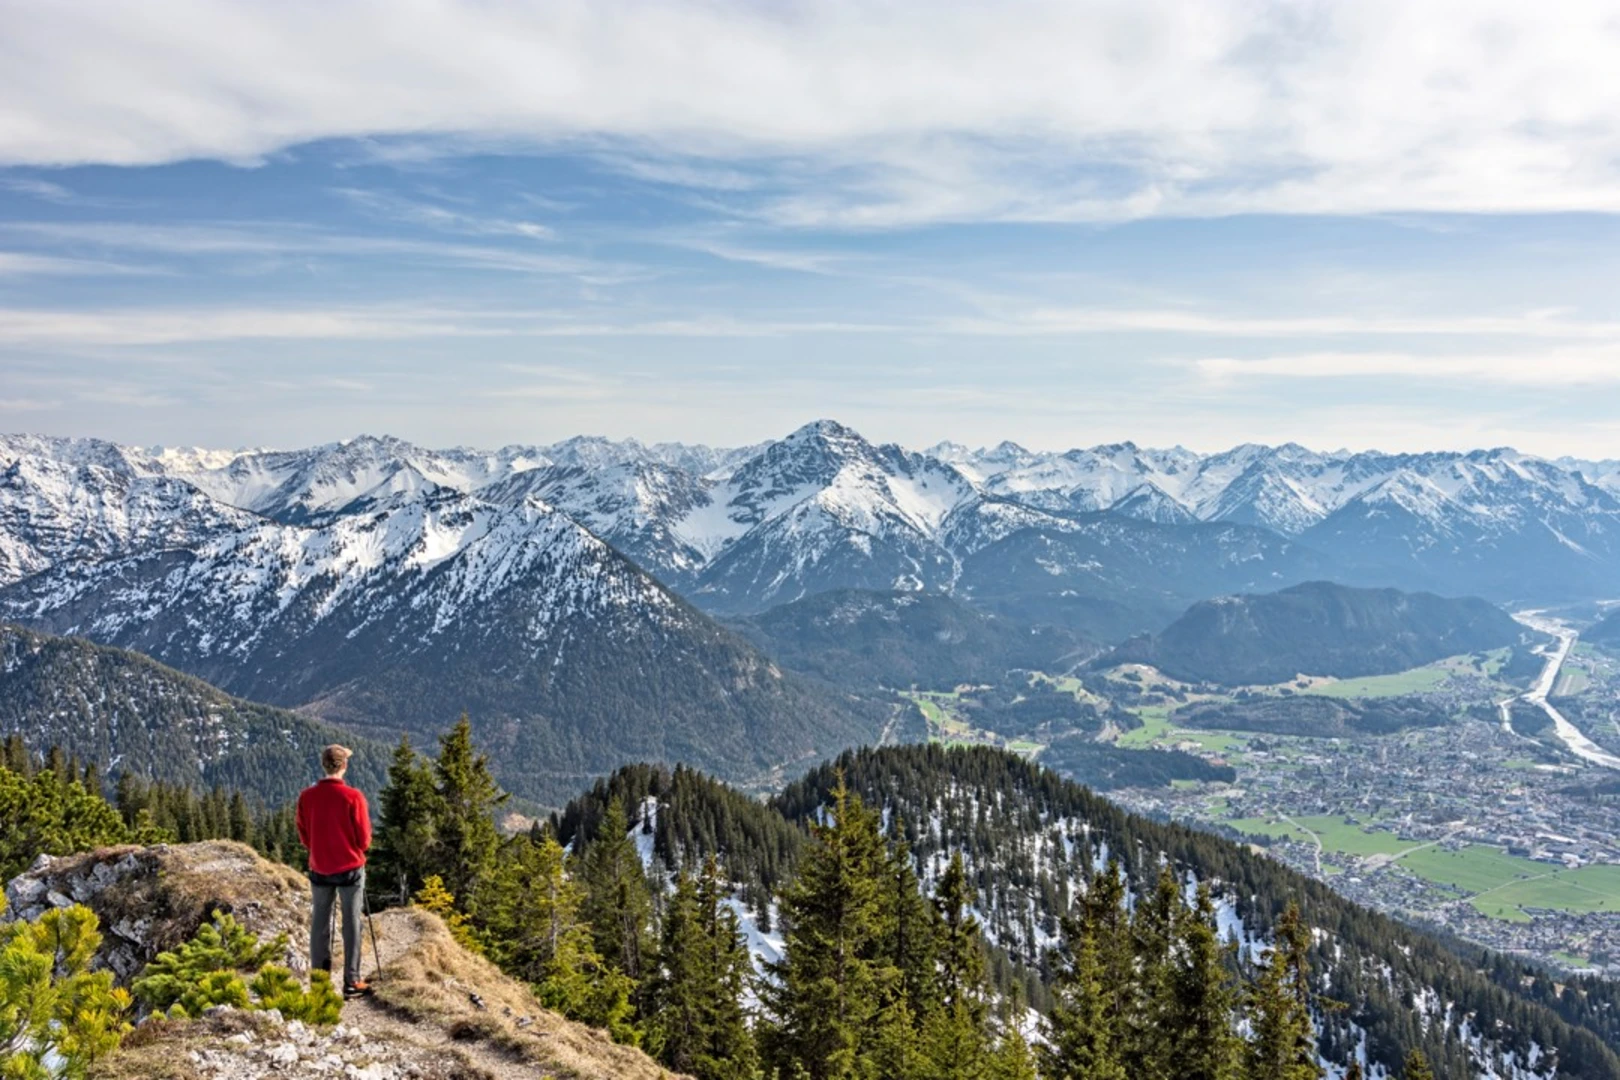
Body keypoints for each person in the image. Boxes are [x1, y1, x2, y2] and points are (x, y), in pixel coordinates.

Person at [296, 744, 373, 997]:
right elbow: (364, 840)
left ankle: (319, 984)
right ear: (344, 766)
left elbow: (304, 836)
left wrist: (319, 849)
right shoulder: (353, 797)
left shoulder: (307, 796)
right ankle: (352, 981)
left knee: (320, 924)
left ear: (324, 765)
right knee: (351, 923)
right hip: (350, 868)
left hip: (320, 868)